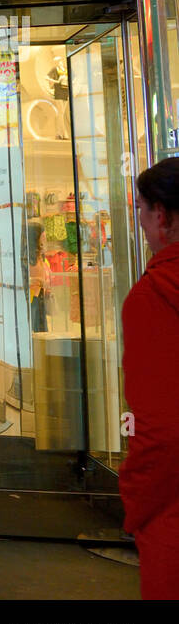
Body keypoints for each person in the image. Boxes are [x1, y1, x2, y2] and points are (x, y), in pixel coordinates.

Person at [120, 158, 179, 599]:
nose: (139, 221)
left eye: (139, 209)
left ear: (161, 215)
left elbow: (160, 427)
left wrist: (136, 499)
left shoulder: (153, 296)